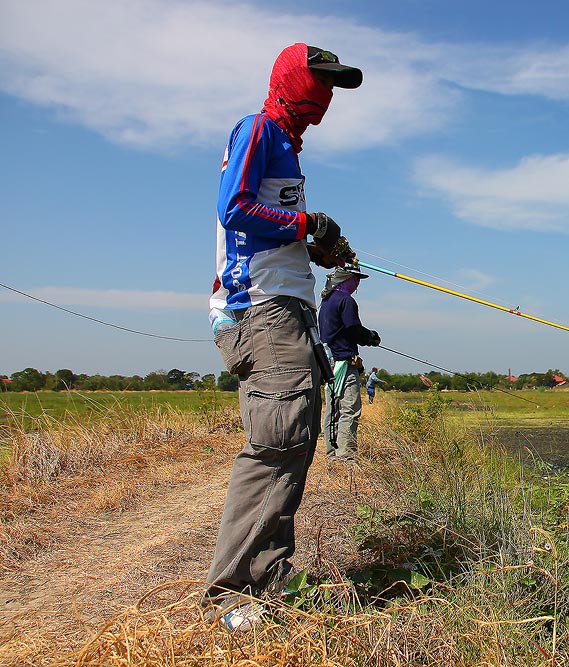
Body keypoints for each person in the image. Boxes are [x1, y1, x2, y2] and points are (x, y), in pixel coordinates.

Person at [204, 42, 363, 630]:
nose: (326, 97)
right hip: (259, 309)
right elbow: (236, 209)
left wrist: (316, 242)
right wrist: (304, 223)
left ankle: (268, 575)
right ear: (292, 79)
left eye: (335, 87)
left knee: (296, 434)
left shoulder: (288, 151)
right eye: (320, 82)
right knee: (277, 439)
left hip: (284, 306)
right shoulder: (259, 130)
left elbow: (274, 227)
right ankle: (234, 592)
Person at [318, 265, 380, 461]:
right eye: (355, 278)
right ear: (345, 278)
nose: (357, 283)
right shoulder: (346, 301)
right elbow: (353, 329)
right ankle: (345, 457)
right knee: (349, 410)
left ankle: (332, 454)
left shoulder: (326, 301)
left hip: (328, 363)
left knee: (333, 409)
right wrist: (370, 337)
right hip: (344, 361)